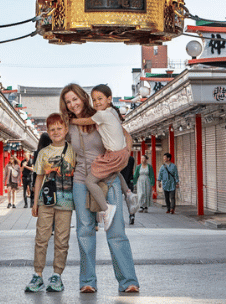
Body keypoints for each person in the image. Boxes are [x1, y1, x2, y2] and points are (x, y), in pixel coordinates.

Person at [61, 84, 140, 294]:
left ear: (83, 98)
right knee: (84, 231)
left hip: (109, 179)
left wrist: (125, 153)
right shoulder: (68, 125)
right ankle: (88, 281)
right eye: (68, 102)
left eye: (75, 99)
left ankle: (128, 281)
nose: (73, 104)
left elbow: (126, 136)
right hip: (81, 180)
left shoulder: (100, 116)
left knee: (116, 231)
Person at [66, 84, 135, 230]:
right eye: (94, 99)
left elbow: (85, 121)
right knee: (114, 171)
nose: (96, 102)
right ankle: (128, 193)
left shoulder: (101, 115)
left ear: (109, 99)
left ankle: (106, 209)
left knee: (90, 181)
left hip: (113, 155)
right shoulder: (113, 112)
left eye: (100, 99)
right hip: (118, 154)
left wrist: (70, 120)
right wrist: (126, 151)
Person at [25, 113, 75, 293]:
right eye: (52, 129)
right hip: (45, 201)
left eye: (59, 128)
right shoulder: (43, 153)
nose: (56, 132)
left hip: (66, 202)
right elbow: (39, 177)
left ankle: (57, 275)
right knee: (41, 238)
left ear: (66, 129)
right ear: (47, 131)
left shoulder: (73, 151)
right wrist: (35, 203)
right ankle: (37, 275)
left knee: (62, 239)